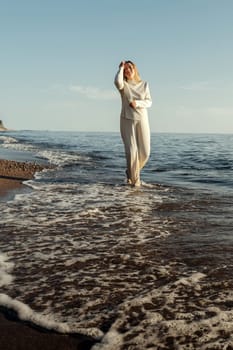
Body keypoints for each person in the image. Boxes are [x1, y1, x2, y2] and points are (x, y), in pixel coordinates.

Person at [114, 60, 152, 187]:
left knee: (145, 152)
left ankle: (130, 172)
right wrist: (120, 68)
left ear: (135, 69)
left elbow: (149, 102)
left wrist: (138, 103)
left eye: (130, 68)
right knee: (131, 152)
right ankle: (135, 184)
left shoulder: (144, 84)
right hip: (127, 119)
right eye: (125, 70)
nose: (128, 70)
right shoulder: (124, 85)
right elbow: (117, 82)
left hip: (142, 119)